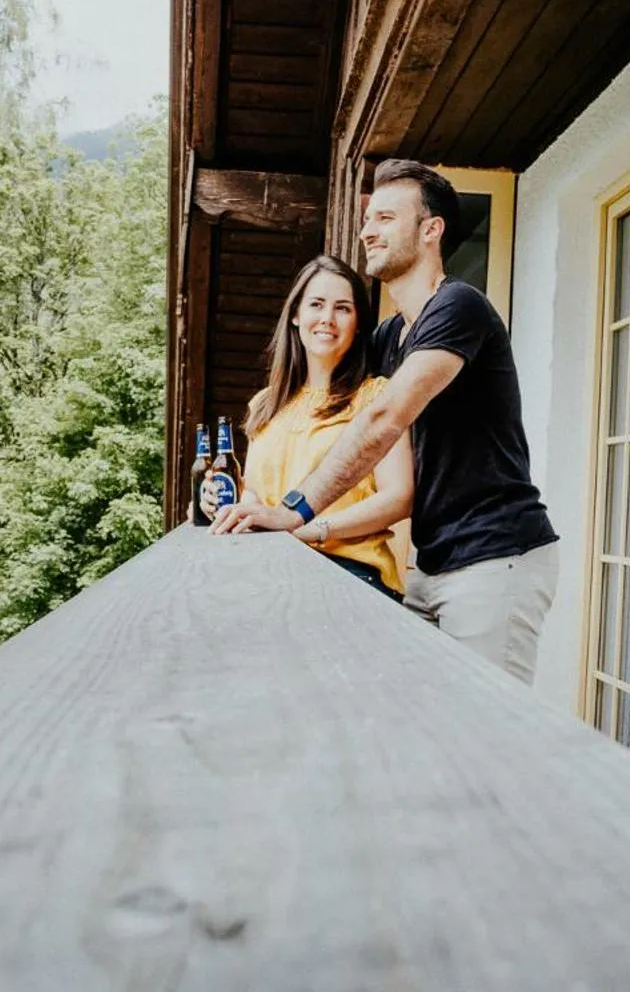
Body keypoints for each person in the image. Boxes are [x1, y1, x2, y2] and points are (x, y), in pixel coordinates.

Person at [213, 160, 558, 682]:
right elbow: (332, 387)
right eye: (367, 219)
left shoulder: (458, 306)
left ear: (430, 230)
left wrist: (296, 513)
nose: (368, 230)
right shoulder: (390, 337)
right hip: (432, 563)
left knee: (489, 739)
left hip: (495, 556)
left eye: (386, 218)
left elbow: (382, 418)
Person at [201, 255, 412, 598]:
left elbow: (398, 497)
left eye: (343, 308)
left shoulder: (377, 397)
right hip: (270, 571)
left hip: (350, 577)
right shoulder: (266, 404)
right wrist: (224, 502)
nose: (327, 318)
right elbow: (257, 494)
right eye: (316, 304)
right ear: (296, 315)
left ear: (358, 323)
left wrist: (311, 530)